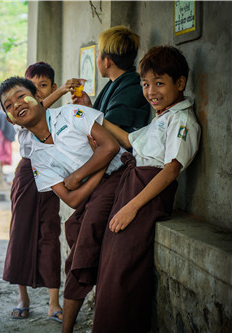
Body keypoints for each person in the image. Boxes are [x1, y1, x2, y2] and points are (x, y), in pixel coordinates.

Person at [0, 76, 127, 333]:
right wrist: (96, 166)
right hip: (92, 193)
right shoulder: (37, 159)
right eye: (9, 105)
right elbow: (72, 199)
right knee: (74, 234)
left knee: (83, 245)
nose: (17, 105)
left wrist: (78, 176)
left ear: (38, 96)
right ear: (10, 119)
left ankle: (68, 328)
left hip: (119, 178)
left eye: (22, 96)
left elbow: (111, 146)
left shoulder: (72, 114)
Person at [92, 46, 200, 333]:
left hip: (145, 199)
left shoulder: (182, 120)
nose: (151, 91)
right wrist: (95, 119)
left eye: (159, 83)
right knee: (111, 266)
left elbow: (171, 170)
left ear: (180, 83)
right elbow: (130, 141)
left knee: (124, 273)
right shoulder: (162, 116)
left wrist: (132, 207)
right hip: (133, 191)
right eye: (145, 84)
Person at [3, 62, 77, 323]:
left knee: (50, 233)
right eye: (29, 90)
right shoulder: (20, 114)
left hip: (52, 173)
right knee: (20, 231)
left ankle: (53, 301)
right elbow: (40, 106)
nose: (34, 95)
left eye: (42, 87)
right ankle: (22, 296)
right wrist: (64, 90)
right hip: (27, 173)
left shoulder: (58, 118)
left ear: (51, 87)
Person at [70, 25, 150, 133]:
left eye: (97, 55)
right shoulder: (120, 83)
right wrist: (89, 107)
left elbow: (106, 132)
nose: (96, 60)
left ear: (107, 61)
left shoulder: (130, 91)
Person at [0, 102, 15, 166]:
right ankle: (5, 161)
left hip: (1, 132)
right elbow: (3, 126)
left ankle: (3, 161)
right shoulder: (2, 114)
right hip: (2, 133)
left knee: (1, 148)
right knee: (4, 148)